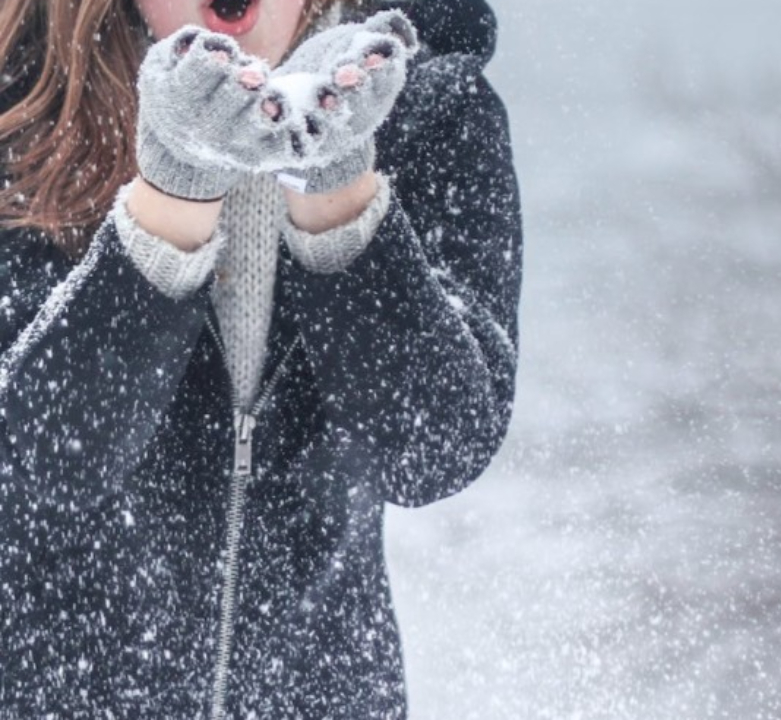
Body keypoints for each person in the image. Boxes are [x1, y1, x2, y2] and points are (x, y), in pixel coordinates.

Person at [0, 0, 522, 716]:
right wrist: (173, 196)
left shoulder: (430, 107)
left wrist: (338, 188)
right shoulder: (21, 105)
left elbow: (434, 451)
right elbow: (33, 466)